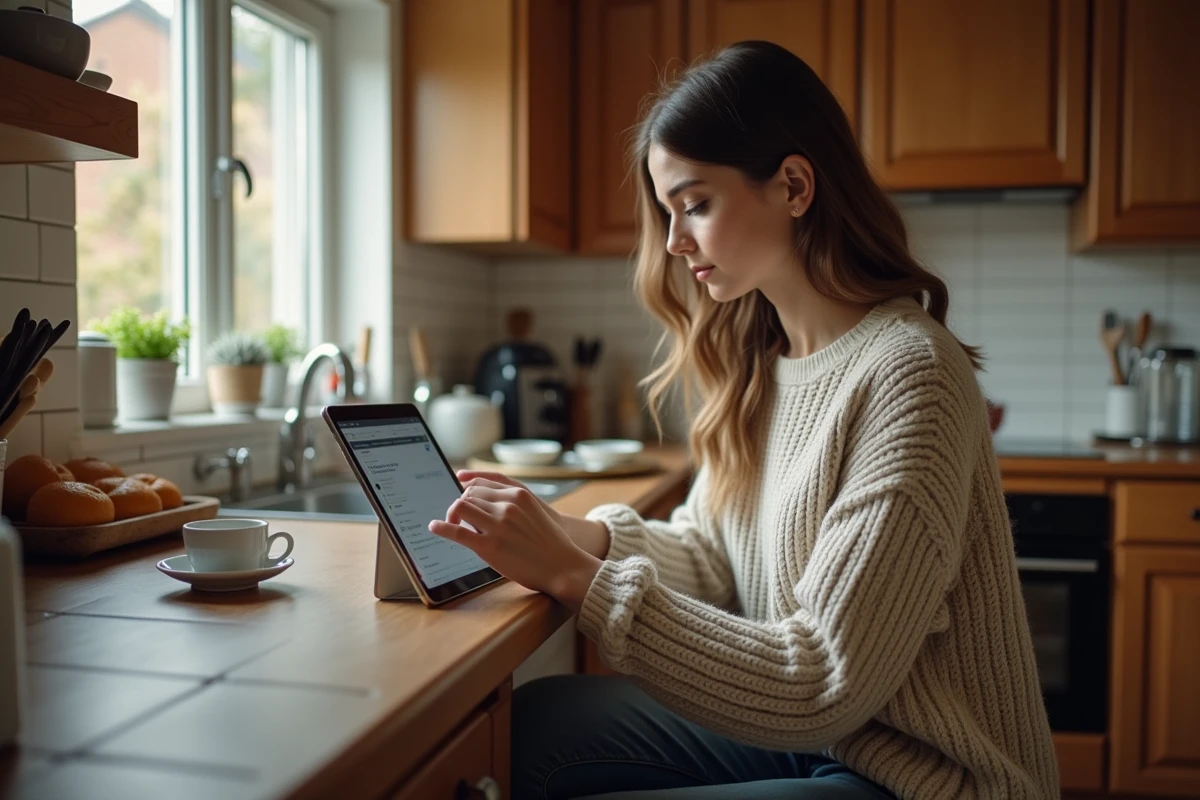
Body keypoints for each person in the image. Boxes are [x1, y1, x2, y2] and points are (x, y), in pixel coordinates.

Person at [429, 41, 1057, 800]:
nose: (673, 241)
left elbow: (822, 677)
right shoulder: (762, 360)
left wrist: (573, 576)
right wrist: (565, 533)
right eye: (668, 212)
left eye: (694, 204)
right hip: (824, 743)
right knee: (531, 729)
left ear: (793, 185)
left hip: (921, 778)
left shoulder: (908, 373)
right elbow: (714, 558)